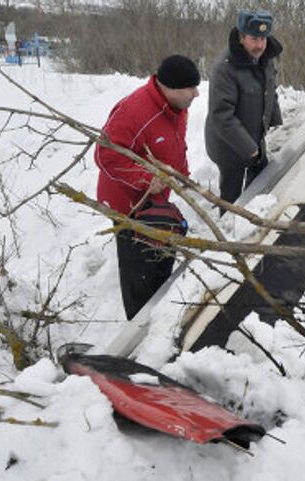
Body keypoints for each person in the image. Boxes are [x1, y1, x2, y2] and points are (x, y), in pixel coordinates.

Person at [95, 55, 200, 320]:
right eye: (191, 88)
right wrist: (144, 179)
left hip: (155, 200)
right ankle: (138, 326)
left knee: (162, 259)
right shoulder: (134, 112)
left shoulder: (177, 109)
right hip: (128, 206)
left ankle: (159, 317)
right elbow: (105, 155)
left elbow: (175, 144)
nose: (196, 94)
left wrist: (183, 176)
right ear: (171, 88)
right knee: (139, 273)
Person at [205, 9, 283, 204]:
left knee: (259, 185)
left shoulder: (265, 58)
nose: (260, 45)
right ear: (241, 37)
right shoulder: (225, 69)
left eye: (264, 39)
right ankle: (228, 227)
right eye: (255, 39)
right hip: (229, 146)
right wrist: (250, 149)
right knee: (231, 196)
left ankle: (251, 216)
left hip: (255, 138)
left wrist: (276, 123)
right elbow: (222, 117)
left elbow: (270, 90)